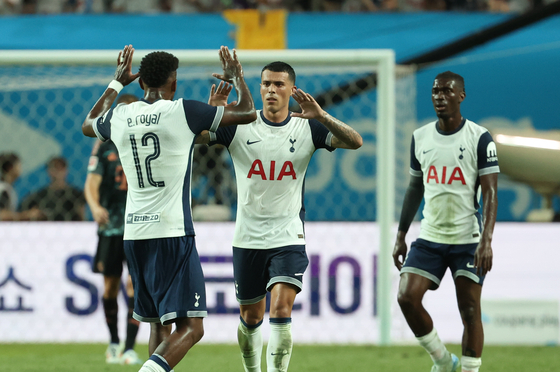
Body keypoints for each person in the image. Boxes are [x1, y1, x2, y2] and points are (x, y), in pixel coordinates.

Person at [81, 44, 256, 372]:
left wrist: (117, 82)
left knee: (157, 325)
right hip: (172, 231)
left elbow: (89, 123)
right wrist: (238, 77)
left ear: (142, 81)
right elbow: (246, 112)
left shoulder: (121, 115)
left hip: (134, 233)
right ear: (173, 83)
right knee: (192, 327)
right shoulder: (183, 111)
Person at [199, 61, 363, 372]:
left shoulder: (307, 126)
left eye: (278, 84)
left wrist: (323, 116)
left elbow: (355, 141)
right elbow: (197, 140)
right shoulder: (238, 125)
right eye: (266, 84)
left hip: (288, 235)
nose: (271, 90)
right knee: (250, 318)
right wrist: (212, 115)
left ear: (291, 89)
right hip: (247, 237)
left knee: (281, 308)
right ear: (259, 88)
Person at [392, 71, 499, 372]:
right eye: (435, 91)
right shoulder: (420, 137)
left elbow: (491, 192)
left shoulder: (480, 138)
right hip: (430, 237)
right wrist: (401, 235)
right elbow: (415, 188)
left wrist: (486, 241)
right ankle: (442, 360)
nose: (440, 96)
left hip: (468, 239)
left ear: (461, 95)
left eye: (447, 91)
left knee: (469, 310)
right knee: (406, 297)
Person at [84, 94, 143, 365]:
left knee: (134, 285)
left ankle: (130, 347)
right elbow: (91, 184)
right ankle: (113, 342)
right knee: (109, 287)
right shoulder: (105, 147)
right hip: (110, 228)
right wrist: (95, 207)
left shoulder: (146, 142)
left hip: (139, 226)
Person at [19, 156, 86, 221]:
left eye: (61, 168)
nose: (58, 172)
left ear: (66, 170)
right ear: (49, 171)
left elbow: (82, 216)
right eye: (56, 168)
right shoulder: (40, 195)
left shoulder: (76, 194)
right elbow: (24, 210)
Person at [0, 152, 43, 221]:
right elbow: (1, 214)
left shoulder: (8, 187)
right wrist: (25, 215)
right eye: (19, 165)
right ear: (11, 167)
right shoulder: (4, 189)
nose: (21, 169)